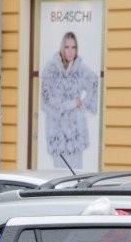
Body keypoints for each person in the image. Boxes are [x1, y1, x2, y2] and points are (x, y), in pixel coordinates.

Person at [39, 31, 100, 169]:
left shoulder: (80, 69)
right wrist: (71, 104)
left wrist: (83, 106)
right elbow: (46, 102)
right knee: (60, 177)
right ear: (62, 48)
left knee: (76, 178)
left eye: (73, 47)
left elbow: (94, 83)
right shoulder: (51, 70)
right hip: (57, 134)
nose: (70, 51)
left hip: (75, 133)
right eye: (67, 47)